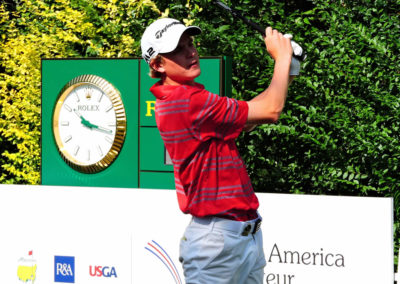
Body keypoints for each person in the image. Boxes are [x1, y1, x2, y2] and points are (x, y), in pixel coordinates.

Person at [141, 17, 297, 284]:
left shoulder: (188, 99)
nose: (191, 52)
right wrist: (281, 58)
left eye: (190, 43)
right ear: (157, 64)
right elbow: (272, 110)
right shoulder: (188, 101)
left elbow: (254, 114)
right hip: (216, 241)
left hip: (240, 235)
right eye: (178, 49)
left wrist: (289, 68)